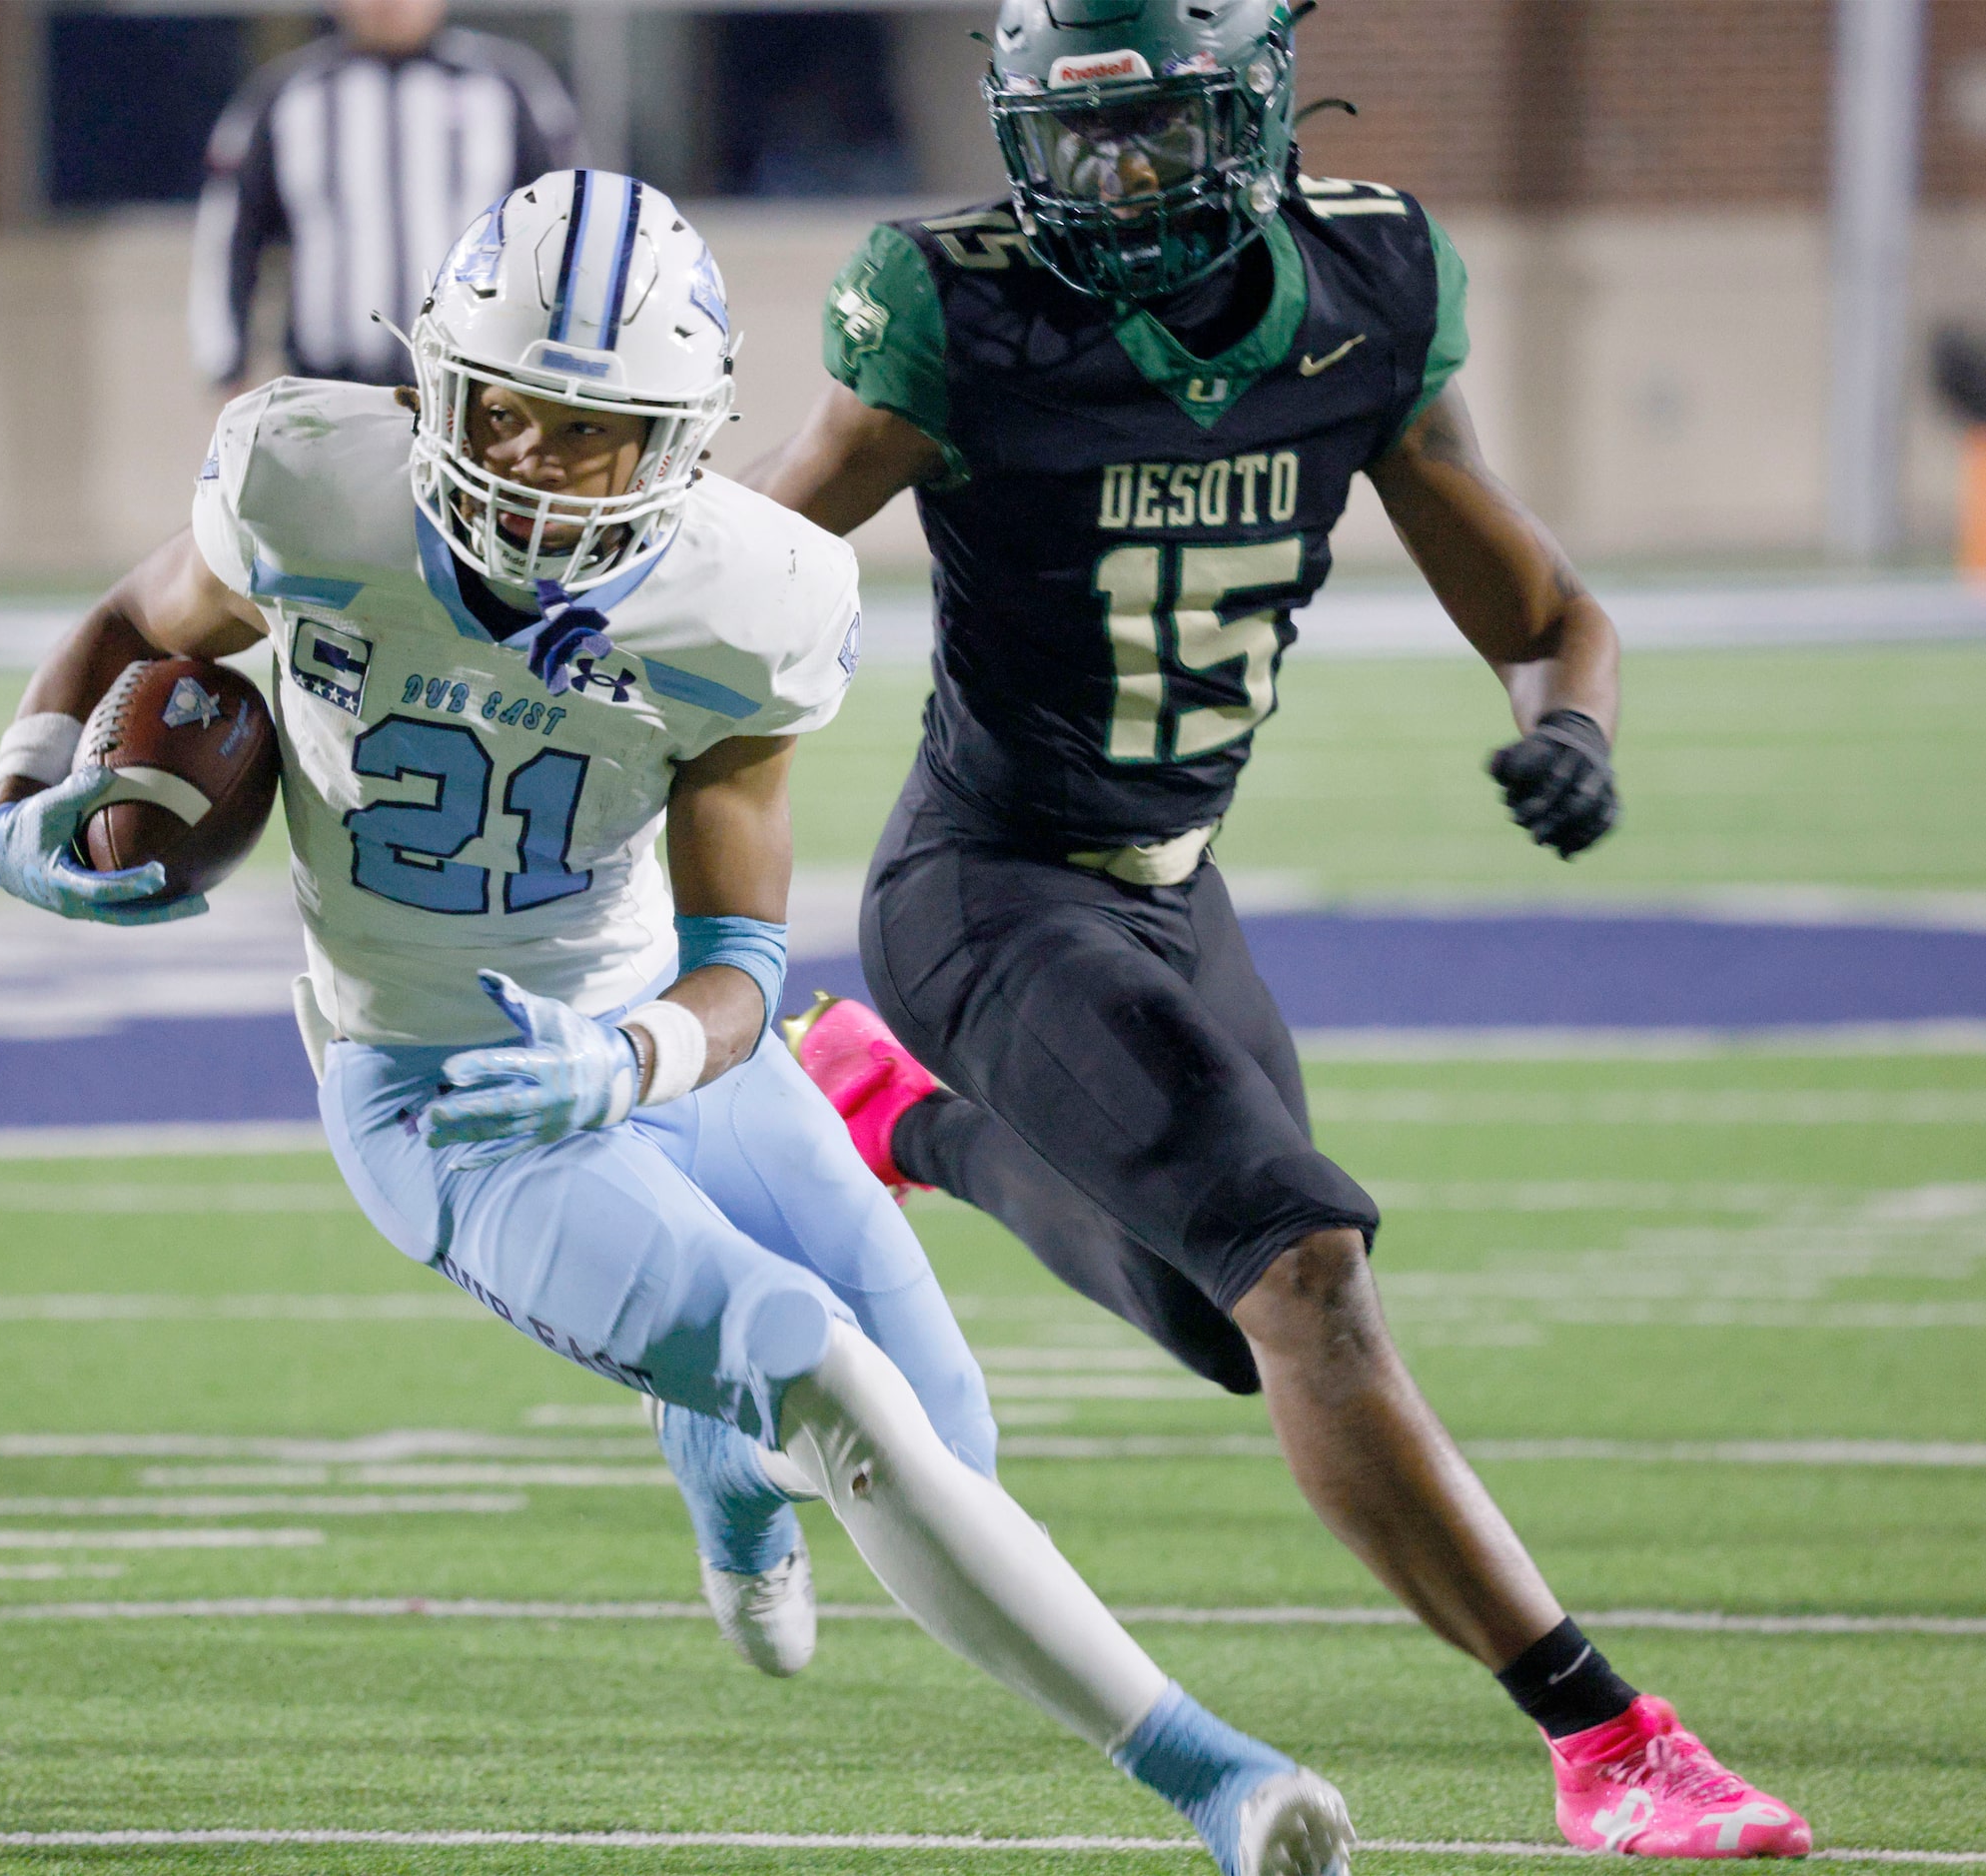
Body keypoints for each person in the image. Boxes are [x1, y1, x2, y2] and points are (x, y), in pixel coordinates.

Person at [0, 168, 1360, 1876]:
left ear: (689, 440)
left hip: (658, 1041)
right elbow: (133, 622)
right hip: (446, 1092)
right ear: (431, 390)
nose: (543, 468)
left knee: (946, 1425)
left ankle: (718, 1473)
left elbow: (738, 963)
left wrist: (632, 1056)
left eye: (597, 432)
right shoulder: (306, 489)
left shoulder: (747, 598)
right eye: (511, 415)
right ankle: (1210, 1774)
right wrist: (30, 789)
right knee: (819, 1368)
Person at [744, 0, 1811, 1859]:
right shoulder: (957, 305)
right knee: (1302, 1265)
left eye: (1153, 127)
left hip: (1171, 886)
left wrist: (1563, 726)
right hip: (982, 885)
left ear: (1250, 111)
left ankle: (888, 1110)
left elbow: (1551, 611)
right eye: (1072, 139)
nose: (1115, 177)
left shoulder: (1362, 287)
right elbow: (743, 565)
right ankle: (1606, 1733)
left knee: (1231, 1322)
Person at [191, 0, 580, 390]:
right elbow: (233, 231)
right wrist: (227, 359)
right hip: (330, 382)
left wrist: (572, 349)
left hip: (482, 380)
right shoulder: (288, 93)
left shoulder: (508, 84)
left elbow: (569, 221)